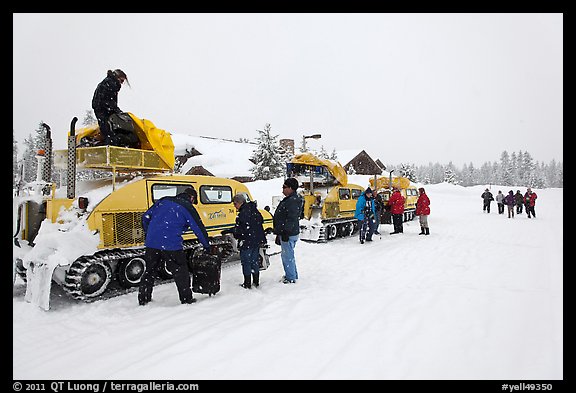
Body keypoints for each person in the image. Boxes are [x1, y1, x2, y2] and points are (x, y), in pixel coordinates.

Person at [138, 187, 212, 306]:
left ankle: (144, 298)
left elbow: (145, 217)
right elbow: (198, 228)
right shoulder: (187, 207)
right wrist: (207, 246)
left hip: (152, 243)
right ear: (192, 198)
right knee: (180, 272)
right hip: (171, 245)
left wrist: (150, 233)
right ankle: (186, 299)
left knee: (150, 271)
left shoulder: (163, 201)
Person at [227, 193, 266, 289]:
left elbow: (242, 229)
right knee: (254, 260)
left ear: (240, 203)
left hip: (247, 241)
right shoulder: (253, 209)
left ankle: (247, 283)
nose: (234, 206)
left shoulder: (243, 213)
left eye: (235, 204)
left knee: (246, 262)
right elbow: (259, 221)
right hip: (256, 240)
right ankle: (256, 281)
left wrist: (233, 231)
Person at [273, 178, 303, 284]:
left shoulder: (292, 201)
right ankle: (292, 274)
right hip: (288, 232)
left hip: (288, 233)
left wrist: (285, 231)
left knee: (287, 256)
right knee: (288, 254)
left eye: (284, 187)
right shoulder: (291, 199)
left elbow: (292, 217)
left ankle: (290, 278)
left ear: (291, 188)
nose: (282, 190)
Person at [92, 69, 129, 146]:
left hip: (101, 109)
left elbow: (107, 101)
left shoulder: (107, 82)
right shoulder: (112, 84)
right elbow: (110, 102)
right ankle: (110, 148)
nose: (121, 84)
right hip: (104, 110)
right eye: (121, 81)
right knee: (109, 132)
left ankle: (107, 144)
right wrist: (116, 111)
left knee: (106, 130)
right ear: (117, 77)